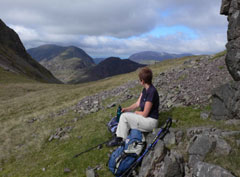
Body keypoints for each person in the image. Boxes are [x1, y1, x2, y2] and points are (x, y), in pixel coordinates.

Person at [107, 67, 159, 146]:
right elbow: (137, 104)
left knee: (125, 117)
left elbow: (145, 113)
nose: (139, 81)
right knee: (125, 116)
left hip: (151, 121)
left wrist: (136, 112)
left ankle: (120, 139)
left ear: (143, 81)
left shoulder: (151, 92)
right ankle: (119, 135)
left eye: (140, 79)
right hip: (145, 119)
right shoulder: (145, 90)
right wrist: (126, 109)